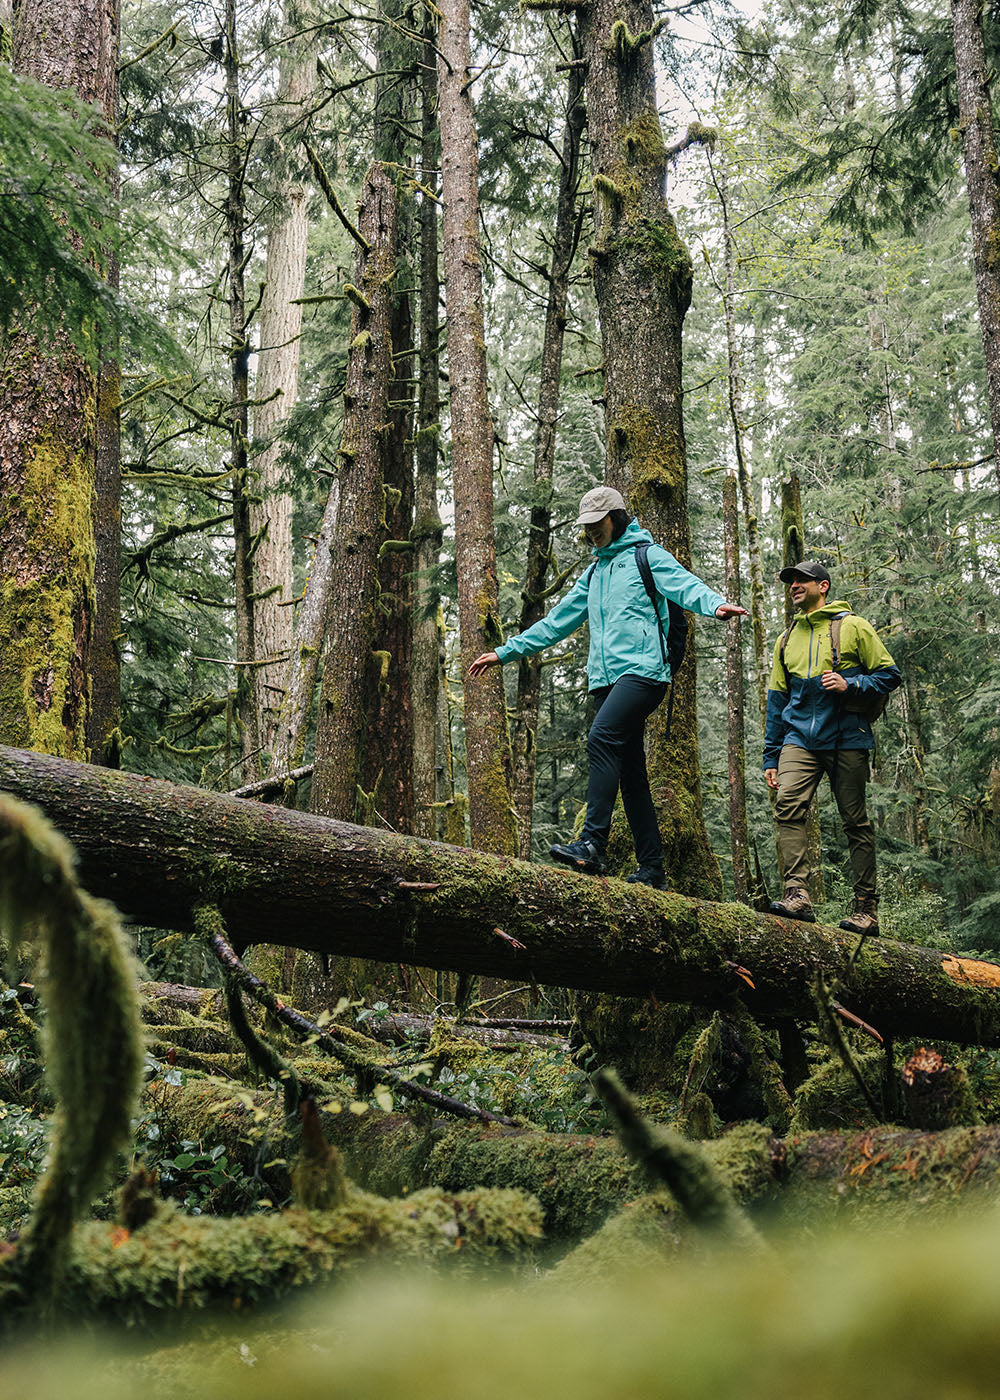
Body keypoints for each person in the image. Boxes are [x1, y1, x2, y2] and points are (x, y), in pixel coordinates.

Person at [469, 486, 747, 889]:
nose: (591, 532)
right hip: (605, 681)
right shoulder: (595, 572)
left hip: (645, 673)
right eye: (586, 527)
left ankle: (593, 843)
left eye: (597, 524)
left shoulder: (646, 555)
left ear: (616, 517)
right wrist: (505, 652)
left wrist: (716, 605)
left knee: (601, 737)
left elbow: (684, 585)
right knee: (631, 774)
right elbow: (558, 621)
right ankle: (653, 869)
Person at [763, 561, 901, 935]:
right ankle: (797, 894)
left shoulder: (852, 626)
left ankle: (866, 910)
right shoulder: (786, 638)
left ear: (822, 586)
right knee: (788, 806)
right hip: (798, 740)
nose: (793, 585)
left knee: (854, 821)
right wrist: (771, 755)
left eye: (801, 580)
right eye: (791, 581)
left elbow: (890, 673)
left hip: (847, 736)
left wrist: (850, 684)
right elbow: (777, 700)